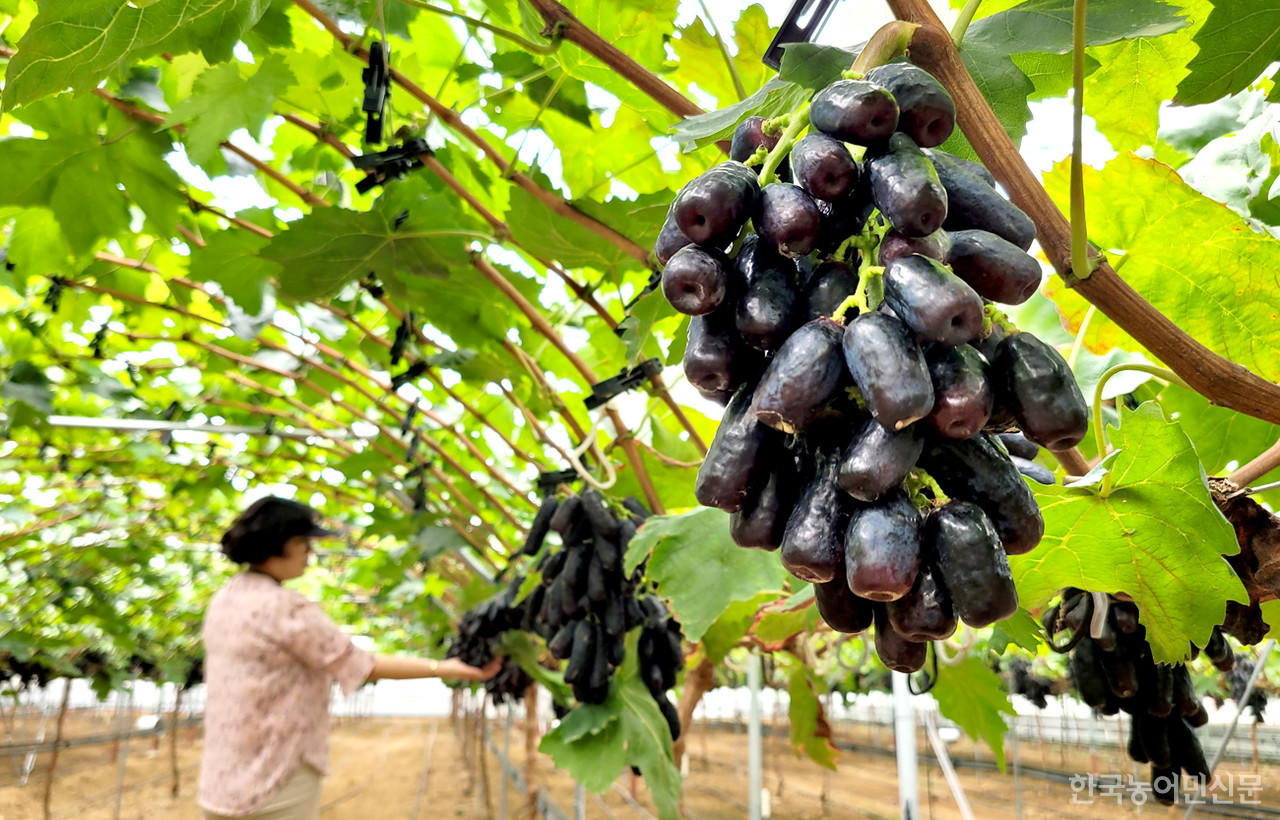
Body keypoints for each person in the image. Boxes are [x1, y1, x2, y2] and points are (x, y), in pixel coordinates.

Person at [198, 496, 499, 820]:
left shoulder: (225, 599)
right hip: (274, 772)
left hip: (222, 774)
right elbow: (359, 665)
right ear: (277, 545)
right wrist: (443, 668)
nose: (309, 553)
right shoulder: (284, 607)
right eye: (303, 543)